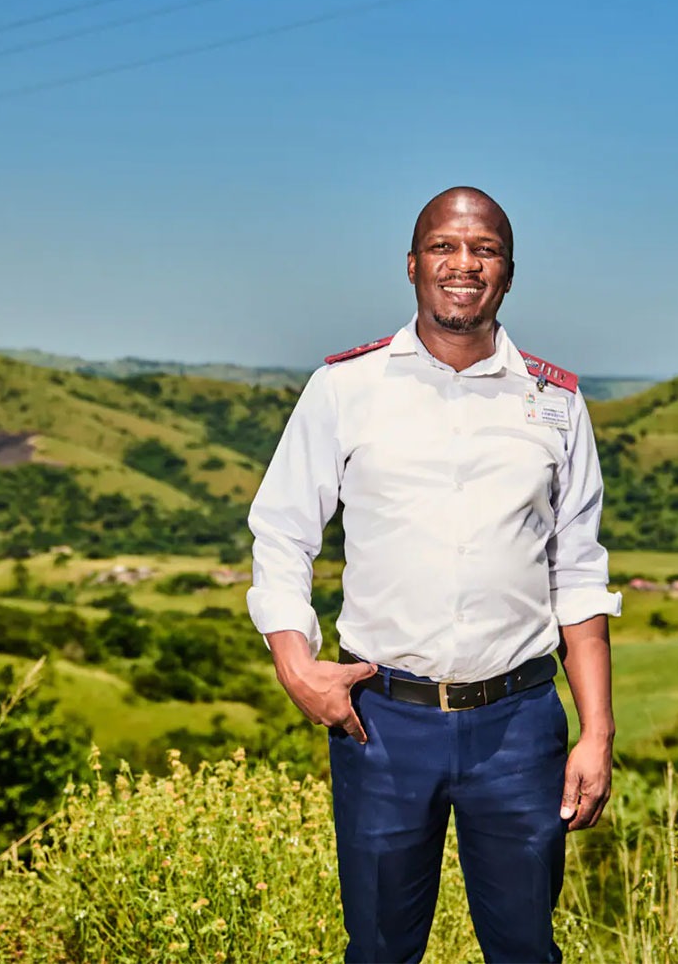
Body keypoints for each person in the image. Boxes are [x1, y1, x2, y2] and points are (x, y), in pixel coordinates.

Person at [246, 185, 619, 963]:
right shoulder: (345, 388)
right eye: (445, 247)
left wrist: (598, 731)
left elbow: (577, 572)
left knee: (525, 947)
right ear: (412, 264)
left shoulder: (556, 403)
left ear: (508, 273)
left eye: (483, 250)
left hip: (519, 723)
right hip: (382, 720)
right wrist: (295, 665)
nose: (463, 264)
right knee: (380, 949)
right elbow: (282, 532)